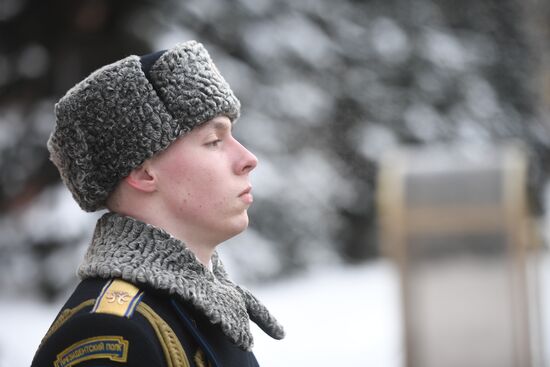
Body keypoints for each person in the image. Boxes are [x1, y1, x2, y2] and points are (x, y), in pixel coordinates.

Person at [31, 40, 285, 367]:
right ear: (142, 172)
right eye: (214, 141)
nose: (248, 159)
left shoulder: (199, 308)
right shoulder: (109, 333)